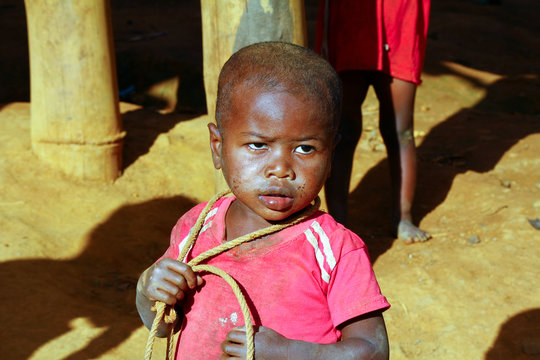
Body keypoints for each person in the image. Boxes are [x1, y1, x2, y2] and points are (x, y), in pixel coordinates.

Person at [136, 41, 390, 360]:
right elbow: (160, 325)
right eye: (258, 145)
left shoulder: (336, 249)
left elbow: (373, 351)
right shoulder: (195, 228)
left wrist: (289, 353)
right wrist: (147, 289)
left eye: (305, 149)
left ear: (332, 157)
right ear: (218, 146)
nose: (281, 169)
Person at [315, 0, 432, 243]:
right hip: (351, 17)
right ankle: (338, 223)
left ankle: (403, 217)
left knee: (400, 131)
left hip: (400, 17)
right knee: (342, 130)